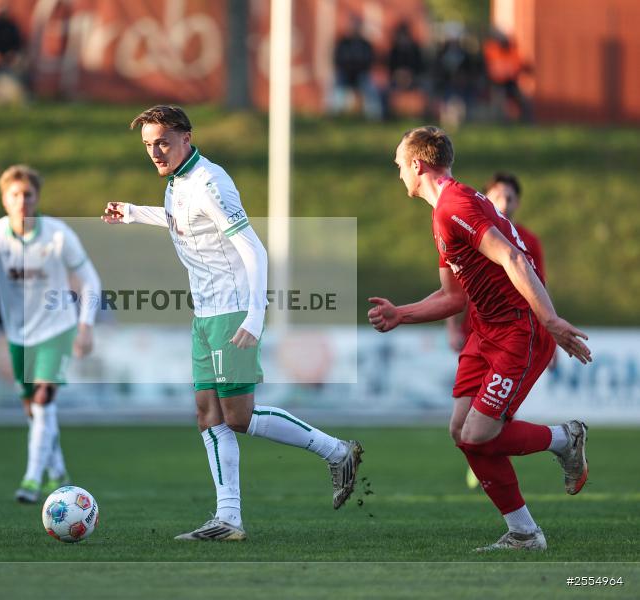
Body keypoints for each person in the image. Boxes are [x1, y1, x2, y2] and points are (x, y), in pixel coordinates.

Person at [102, 105, 363, 541]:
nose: (154, 151)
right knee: (209, 415)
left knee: (238, 417)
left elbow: (254, 250)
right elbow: (183, 223)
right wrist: (133, 212)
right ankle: (228, 520)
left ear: (186, 136)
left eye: (162, 142)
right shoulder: (178, 181)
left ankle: (337, 452)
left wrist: (256, 316)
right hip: (204, 315)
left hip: (231, 312)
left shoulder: (210, 181)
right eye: (148, 144)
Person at [369, 126, 591, 551]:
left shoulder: (455, 206)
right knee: (461, 430)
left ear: (417, 165)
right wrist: (402, 314)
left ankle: (566, 439)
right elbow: (453, 296)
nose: (397, 172)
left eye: (399, 164)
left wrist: (551, 319)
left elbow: (511, 256)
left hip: (516, 330)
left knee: (477, 435)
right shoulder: (447, 210)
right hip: (485, 330)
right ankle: (524, 533)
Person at [0, 165, 101, 503]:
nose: (22, 200)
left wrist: (85, 325)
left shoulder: (58, 234)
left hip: (57, 328)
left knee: (43, 398)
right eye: (14, 195)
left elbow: (91, 281)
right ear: (3, 199)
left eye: (28, 194)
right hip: (19, 335)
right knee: (34, 410)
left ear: (37, 198)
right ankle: (58, 472)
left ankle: (31, 480)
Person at [446, 172, 547, 353]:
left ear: (517, 203)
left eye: (509, 198)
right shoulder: (470, 232)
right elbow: (455, 286)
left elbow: (539, 287)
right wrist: (452, 328)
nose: (503, 204)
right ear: (486, 199)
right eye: (497, 197)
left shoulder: (529, 241)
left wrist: (548, 332)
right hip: (475, 330)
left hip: (515, 332)